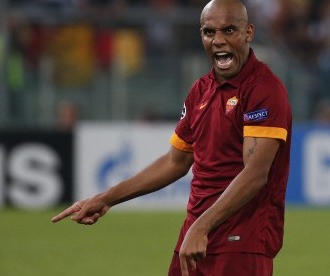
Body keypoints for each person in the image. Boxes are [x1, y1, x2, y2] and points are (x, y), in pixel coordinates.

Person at [51, 0, 292, 275]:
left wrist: (202, 225)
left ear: (248, 33)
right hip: (195, 237)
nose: (218, 40)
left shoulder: (264, 89)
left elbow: (256, 174)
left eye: (229, 30)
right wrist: (106, 198)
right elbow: (174, 162)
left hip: (241, 238)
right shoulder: (200, 91)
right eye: (209, 32)